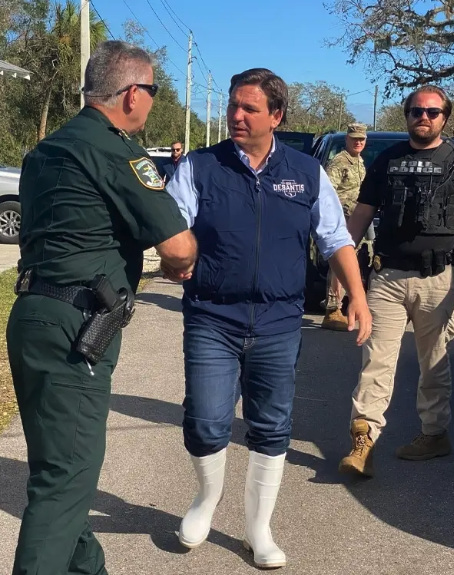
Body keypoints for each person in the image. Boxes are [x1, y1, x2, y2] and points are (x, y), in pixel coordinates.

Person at [165, 67, 371, 569]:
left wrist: (358, 299)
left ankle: (259, 529)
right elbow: (172, 229)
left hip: (279, 321)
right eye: (235, 105)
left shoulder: (306, 172)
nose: (236, 115)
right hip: (213, 317)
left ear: (276, 116)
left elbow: (336, 238)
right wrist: (175, 259)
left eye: (249, 108)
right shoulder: (199, 166)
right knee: (207, 422)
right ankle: (205, 500)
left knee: (271, 425)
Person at [6, 40, 197, 575]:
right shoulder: (116, 149)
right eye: (154, 92)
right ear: (133, 94)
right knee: (67, 480)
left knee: (60, 469)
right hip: (77, 328)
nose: (152, 103)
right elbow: (178, 247)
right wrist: (183, 260)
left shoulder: (46, 150)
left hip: (31, 316)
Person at [338, 85, 454, 478]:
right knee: (376, 359)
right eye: (416, 111)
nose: (423, 117)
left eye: (432, 112)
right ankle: (363, 440)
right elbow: (360, 217)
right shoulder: (387, 160)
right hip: (387, 277)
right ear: (406, 115)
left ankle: (434, 434)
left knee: (434, 364)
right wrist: (341, 269)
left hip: (440, 280)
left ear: (445, 117)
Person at [322, 123, 370, 330]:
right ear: (347, 140)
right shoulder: (339, 162)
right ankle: (333, 309)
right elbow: (327, 194)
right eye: (354, 139)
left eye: (362, 139)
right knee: (340, 262)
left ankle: (355, 303)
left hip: (358, 219)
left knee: (356, 262)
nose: (358, 142)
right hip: (342, 220)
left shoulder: (359, 162)